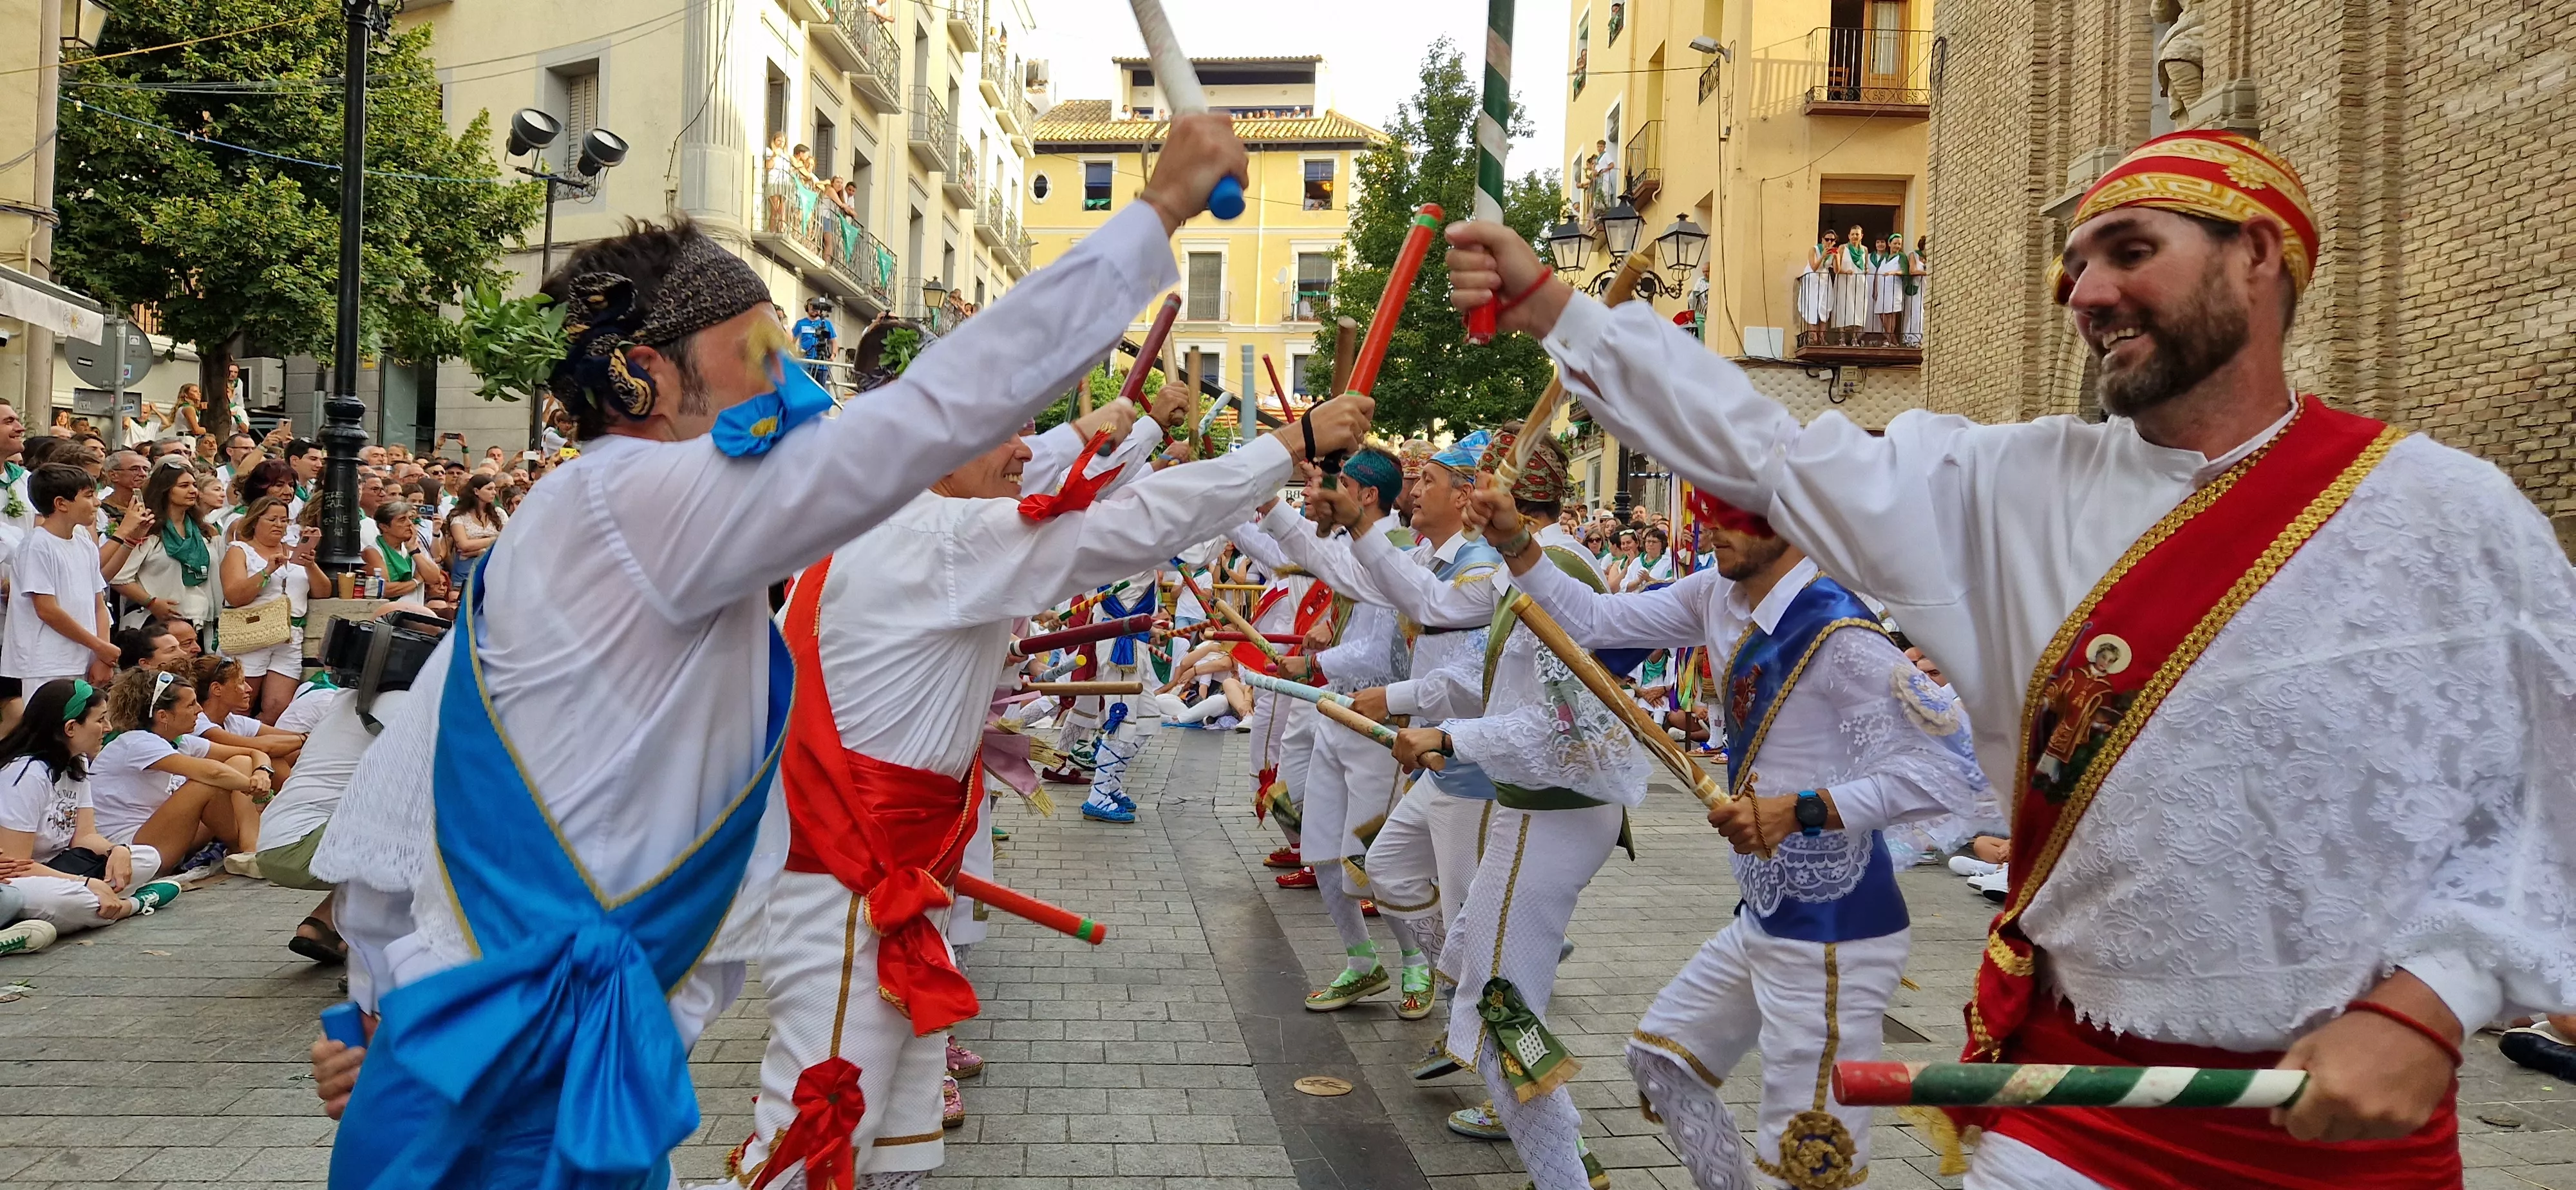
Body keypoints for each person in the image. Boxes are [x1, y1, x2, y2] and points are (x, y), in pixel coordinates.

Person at [1443, 127, 2576, 1189]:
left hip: (2348, 1134)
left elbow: (2541, 807)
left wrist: (2434, 1001)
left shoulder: (2449, 517)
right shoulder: (2004, 490)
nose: (2085, 294)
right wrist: (1558, 308)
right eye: (2074, 267)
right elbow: (1770, 450)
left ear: (2261, 257)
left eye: (2130, 252)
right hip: (2073, 1109)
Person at [301, 112, 1250, 1184]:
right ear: (641, 376)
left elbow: (420, 769)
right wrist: (1154, 213)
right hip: (505, 1076)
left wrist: (372, 1003)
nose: (794, 383)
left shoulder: (628, 524)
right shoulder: (626, 498)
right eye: (759, 354)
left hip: (552, 1057)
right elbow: (925, 422)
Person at [713, 373, 1368, 1190]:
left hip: (881, 888)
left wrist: (1126, 428)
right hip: (853, 896)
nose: (1030, 449)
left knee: (892, 1146)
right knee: (814, 1141)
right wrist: (1287, 446)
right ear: (933, 452)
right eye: (1008, 432)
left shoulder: (886, 526)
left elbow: (1055, 483)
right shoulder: (939, 539)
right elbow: (1131, 525)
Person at [1481, 481, 1992, 1189]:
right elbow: (1594, 618)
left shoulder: (1839, 633)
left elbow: (1951, 770)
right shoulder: (1715, 594)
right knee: (1662, 1063)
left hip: (1837, 935)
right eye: (1709, 509)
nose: (1715, 527)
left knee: (1809, 1160)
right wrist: (1515, 541)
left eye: (1735, 514)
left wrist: (1800, 809)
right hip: (1766, 916)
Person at [1366, 445, 1643, 1190]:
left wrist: (1450, 736)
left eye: (1480, 484)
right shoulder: (1527, 565)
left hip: (1555, 810)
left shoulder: (1558, 570)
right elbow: (1491, 676)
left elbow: (1562, 721)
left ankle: (1565, 1168)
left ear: (1515, 497)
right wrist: (1405, 705)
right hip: (1532, 807)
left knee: (1497, 1008)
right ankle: (1565, 1151)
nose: (1465, 496)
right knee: (1482, 984)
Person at [1227, 448, 1428, 1010]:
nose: (1319, 494)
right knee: (1318, 848)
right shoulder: (1352, 545)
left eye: (1332, 486)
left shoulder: (1399, 552)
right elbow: (1302, 555)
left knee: (1368, 855)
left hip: (1377, 723)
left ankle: (1416, 963)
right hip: (1334, 714)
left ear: (1364, 496)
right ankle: (1361, 962)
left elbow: (1385, 651)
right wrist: (1264, 500)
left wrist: (1315, 663)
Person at [0, 679, 182, 941]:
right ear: (71, 728)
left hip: (62, 865)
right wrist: (84, 884)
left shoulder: (77, 761)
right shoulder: (26, 773)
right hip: (26, 879)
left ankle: (100, 904)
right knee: (74, 901)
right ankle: (134, 904)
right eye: (100, 720)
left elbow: (85, 836)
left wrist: (115, 850)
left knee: (146, 856)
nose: (108, 729)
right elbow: (18, 866)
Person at [90, 666, 272, 879]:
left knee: (239, 762)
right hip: (132, 850)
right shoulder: (136, 742)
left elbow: (252, 752)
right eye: (191, 705)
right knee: (204, 785)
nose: (200, 710)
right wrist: (256, 788)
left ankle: (249, 851)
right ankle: (245, 851)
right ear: (163, 716)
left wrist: (261, 771)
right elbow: (213, 774)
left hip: (166, 835)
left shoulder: (180, 741)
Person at [4, 465, 113, 691]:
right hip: (46, 663)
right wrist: (99, 647)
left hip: (83, 659)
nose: (97, 503)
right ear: (61, 504)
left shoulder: (85, 545)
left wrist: (103, 655)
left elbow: (98, 605)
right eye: (88, 496)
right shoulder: (37, 545)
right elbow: (47, 609)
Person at [221, 496, 325, 720]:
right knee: (240, 706)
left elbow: (323, 592)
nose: (279, 525)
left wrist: (311, 566)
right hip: (252, 632)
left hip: (289, 635)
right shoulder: (239, 550)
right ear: (255, 521)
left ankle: (254, 746)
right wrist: (266, 571)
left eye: (284, 520)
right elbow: (235, 596)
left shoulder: (293, 550)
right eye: (272, 519)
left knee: (279, 708)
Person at [105, 458, 217, 636]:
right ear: (165, 491)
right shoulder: (148, 530)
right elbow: (118, 577)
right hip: (154, 625)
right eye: (184, 486)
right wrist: (152, 603)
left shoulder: (205, 531)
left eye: (194, 485)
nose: (193, 491)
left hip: (199, 620)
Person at [442, 472, 506, 585]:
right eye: (489, 489)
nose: (494, 493)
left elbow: (508, 540)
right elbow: (464, 545)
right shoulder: (459, 516)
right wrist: (495, 538)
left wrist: (479, 551)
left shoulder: (499, 513)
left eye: (494, 489)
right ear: (476, 491)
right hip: (466, 570)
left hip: (495, 567)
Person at [365, 500, 436, 601]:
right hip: (390, 613)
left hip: (415, 612)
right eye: (402, 520)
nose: (410, 523)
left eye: (410, 519)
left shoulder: (413, 546)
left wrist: (414, 551)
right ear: (384, 527)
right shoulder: (373, 551)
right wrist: (416, 581)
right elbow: (384, 589)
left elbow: (434, 578)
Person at [1830, 224, 1871, 346]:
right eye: (1852, 234)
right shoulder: (1843, 248)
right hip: (1844, 282)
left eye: (1857, 234)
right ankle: (1842, 338)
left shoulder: (1865, 250)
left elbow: (1866, 266)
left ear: (1861, 236)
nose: (1854, 236)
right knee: (1843, 307)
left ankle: (1854, 338)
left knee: (1858, 309)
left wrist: (1867, 270)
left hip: (1859, 283)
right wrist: (1845, 272)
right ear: (1849, 236)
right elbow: (1835, 267)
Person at [792, 298, 838, 384]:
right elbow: (792, 341)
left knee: (820, 389)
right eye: (812, 305)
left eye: (816, 306)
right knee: (805, 388)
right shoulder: (800, 323)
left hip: (822, 365)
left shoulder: (826, 324)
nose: (814, 309)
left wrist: (833, 355)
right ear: (807, 307)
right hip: (805, 363)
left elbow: (833, 341)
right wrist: (795, 355)